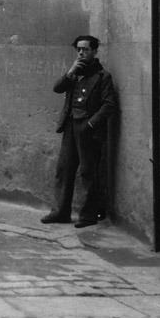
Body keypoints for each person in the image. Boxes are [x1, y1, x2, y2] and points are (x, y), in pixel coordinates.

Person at [41, 34, 118, 228]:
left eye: (85, 49)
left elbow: (109, 105)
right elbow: (57, 88)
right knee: (64, 169)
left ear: (94, 51)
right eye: (79, 50)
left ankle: (88, 216)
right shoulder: (75, 73)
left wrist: (90, 124)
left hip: (88, 130)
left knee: (87, 172)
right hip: (70, 126)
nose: (82, 53)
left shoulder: (103, 76)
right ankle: (60, 212)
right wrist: (71, 71)